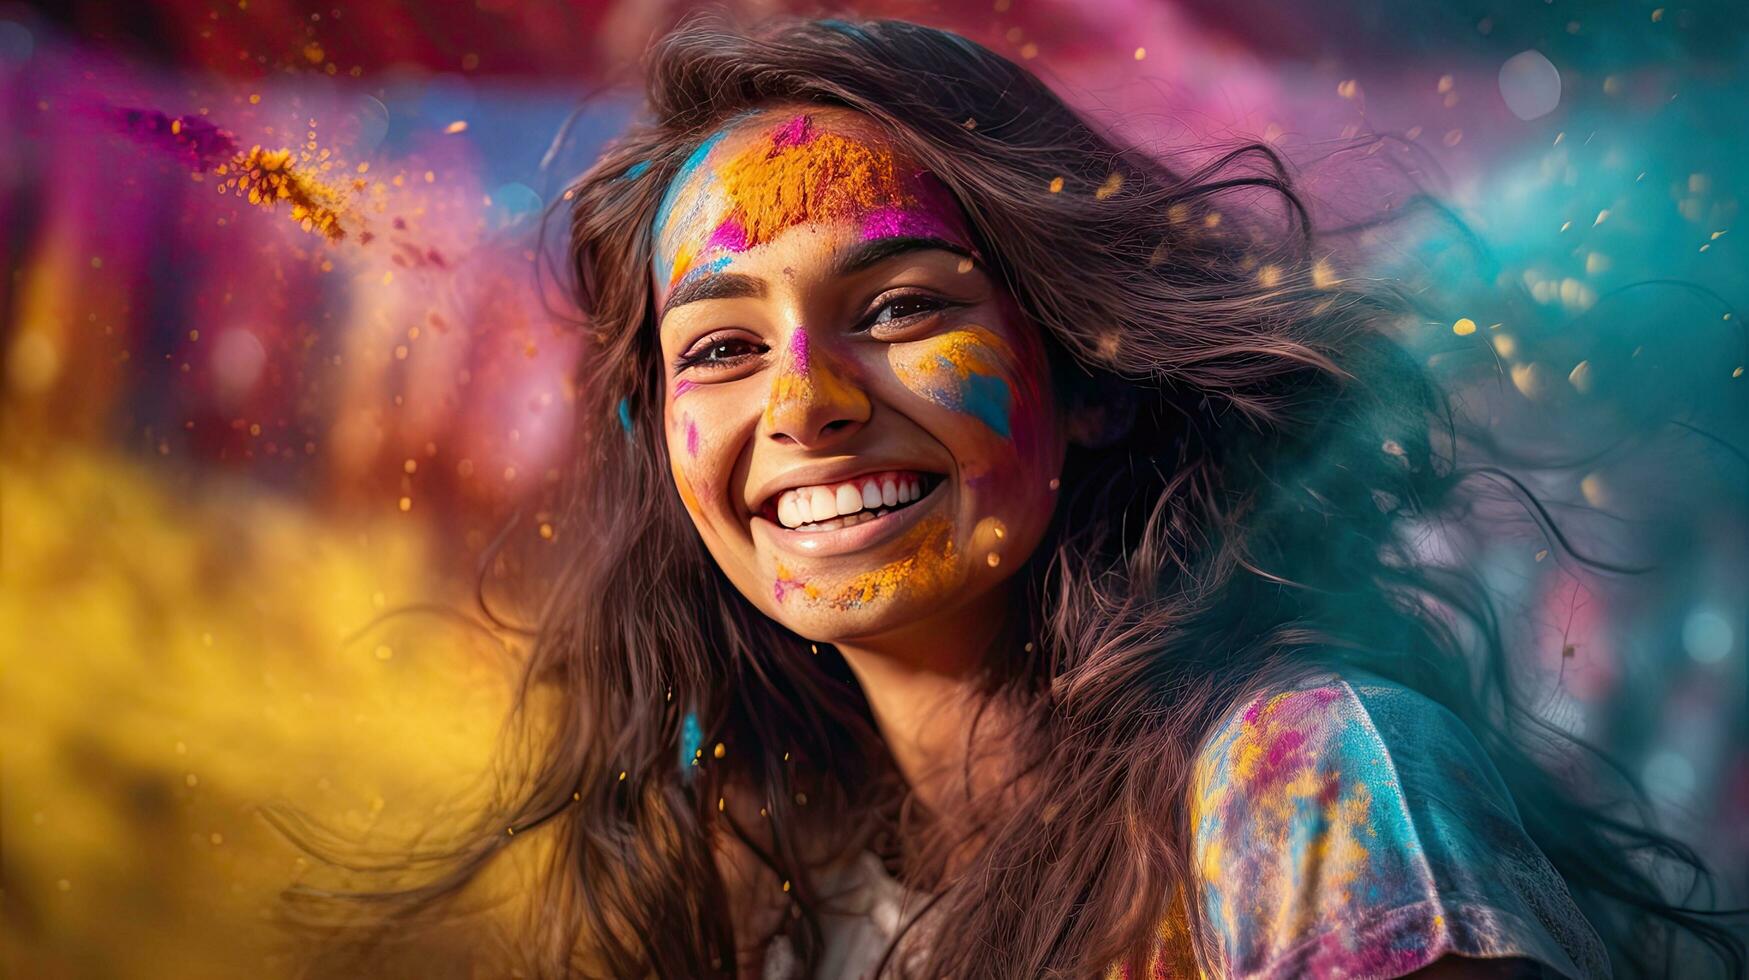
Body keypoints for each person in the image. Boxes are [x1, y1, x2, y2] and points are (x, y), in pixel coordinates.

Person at [324, 16, 1742, 979]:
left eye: (895, 308)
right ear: (660, 440)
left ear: (1093, 373)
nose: (803, 402)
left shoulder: (1303, 786)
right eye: (723, 346)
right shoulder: (790, 899)